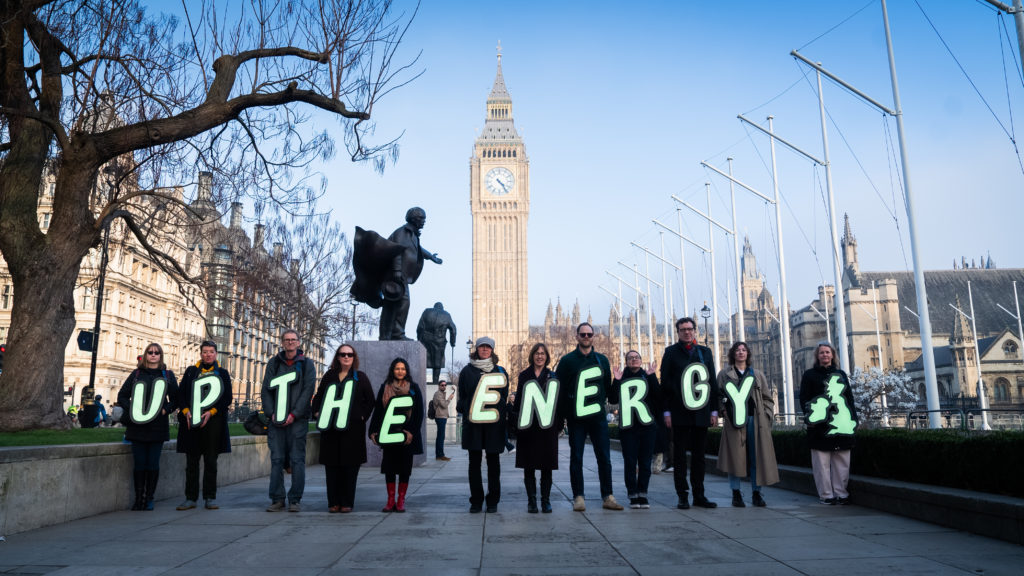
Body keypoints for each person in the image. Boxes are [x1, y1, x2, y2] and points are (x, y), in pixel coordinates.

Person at [555, 323, 623, 512]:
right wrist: (561, 417)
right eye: (583, 334)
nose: (586, 337)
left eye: (589, 334)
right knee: (576, 458)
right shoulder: (567, 361)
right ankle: (579, 497)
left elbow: (611, 395)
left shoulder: (602, 360)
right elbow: (559, 390)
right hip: (576, 419)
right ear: (576, 336)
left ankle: (608, 496)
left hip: (598, 418)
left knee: (604, 458)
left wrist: (617, 380)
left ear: (594, 337)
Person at [660, 317, 719, 509]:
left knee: (699, 456)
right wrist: (666, 411)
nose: (687, 332)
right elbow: (665, 385)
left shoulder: (705, 352)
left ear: (695, 330)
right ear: (678, 332)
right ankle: (682, 495)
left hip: (701, 412)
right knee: (679, 456)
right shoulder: (670, 353)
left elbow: (712, 383)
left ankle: (699, 495)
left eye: (690, 329)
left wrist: (714, 409)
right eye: (683, 329)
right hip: (679, 412)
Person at [312, 344, 375, 513]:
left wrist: (362, 416)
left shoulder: (360, 377)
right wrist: (317, 412)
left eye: (350, 354)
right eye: (342, 354)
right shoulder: (329, 376)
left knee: (350, 467)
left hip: (352, 431)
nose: (346, 357)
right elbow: (318, 396)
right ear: (337, 357)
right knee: (332, 467)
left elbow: (370, 400)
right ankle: (333, 502)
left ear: (354, 358)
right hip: (331, 430)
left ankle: (347, 502)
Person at [716, 341, 779, 508]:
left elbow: (767, 398)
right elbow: (717, 396)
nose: (741, 353)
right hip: (734, 421)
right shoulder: (724, 374)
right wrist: (723, 412)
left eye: (744, 350)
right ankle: (736, 493)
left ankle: (756, 493)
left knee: (756, 456)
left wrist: (766, 415)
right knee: (734, 458)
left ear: (748, 354)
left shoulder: (757, 374)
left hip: (755, 420)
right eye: (737, 350)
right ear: (732, 354)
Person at [117, 343, 179, 511]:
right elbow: (122, 395)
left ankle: (149, 498)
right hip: (137, 426)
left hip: (157, 426)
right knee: (139, 464)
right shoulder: (137, 374)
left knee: (152, 464)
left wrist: (166, 410)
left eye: (156, 353)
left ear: (160, 356)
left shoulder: (167, 375)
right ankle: (138, 499)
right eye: (150, 352)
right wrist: (133, 409)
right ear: (145, 355)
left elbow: (176, 398)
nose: (153, 355)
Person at [261, 329, 316, 512]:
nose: (290, 342)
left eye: (293, 339)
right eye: (287, 340)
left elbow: (308, 390)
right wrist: (271, 413)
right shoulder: (274, 363)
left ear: (298, 342)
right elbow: (266, 390)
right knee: (276, 460)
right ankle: (277, 499)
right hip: (276, 421)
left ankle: (294, 500)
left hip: (297, 421)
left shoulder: (307, 364)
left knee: (297, 460)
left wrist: (294, 414)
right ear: (282, 342)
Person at [175, 341, 233, 511]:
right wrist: (186, 410)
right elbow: (181, 394)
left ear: (216, 354)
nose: (208, 354)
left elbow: (226, 398)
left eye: (211, 352)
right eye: (205, 352)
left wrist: (212, 411)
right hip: (191, 421)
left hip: (213, 422)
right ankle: (190, 498)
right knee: (191, 462)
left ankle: (210, 497)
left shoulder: (222, 373)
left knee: (211, 462)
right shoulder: (191, 372)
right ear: (200, 354)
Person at [800, 342, 858, 505]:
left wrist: (854, 419)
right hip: (819, 424)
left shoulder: (841, 374)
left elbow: (849, 398)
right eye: (821, 353)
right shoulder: (809, 375)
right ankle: (826, 495)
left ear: (832, 355)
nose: (825, 355)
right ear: (817, 356)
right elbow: (804, 398)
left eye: (827, 352)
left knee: (842, 462)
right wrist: (809, 417)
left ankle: (841, 492)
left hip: (841, 422)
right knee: (821, 463)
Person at [457, 336, 509, 513]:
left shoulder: (500, 371)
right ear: (477, 349)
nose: (485, 349)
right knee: (474, 463)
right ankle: (476, 501)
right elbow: (462, 398)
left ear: (492, 350)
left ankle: (493, 500)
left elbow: (504, 397)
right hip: (474, 425)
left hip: (494, 425)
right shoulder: (466, 371)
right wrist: (467, 408)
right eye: (482, 347)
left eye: (488, 347)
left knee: (494, 463)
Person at [511, 343, 562, 513]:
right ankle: (531, 501)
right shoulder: (524, 375)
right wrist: (515, 424)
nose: (540, 356)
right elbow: (518, 402)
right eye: (537, 353)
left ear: (547, 357)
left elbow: (558, 404)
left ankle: (545, 501)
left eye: (543, 354)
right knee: (529, 466)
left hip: (547, 428)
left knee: (546, 467)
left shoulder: (553, 375)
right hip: (528, 427)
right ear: (532, 355)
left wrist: (560, 425)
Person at [369, 357, 424, 512]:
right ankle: (390, 500)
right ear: (392, 370)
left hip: (407, 436)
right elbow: (378, 410)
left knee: (405, 469)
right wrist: (373, 430)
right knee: (389, 468)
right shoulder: (385, 387)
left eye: (403, 369)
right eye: (397, 368)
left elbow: (419, 412)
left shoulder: (413, 388)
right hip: (390, 434)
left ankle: (401, 500)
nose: (400, 371)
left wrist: (411, 432)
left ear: (406, 371)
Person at [379, 207, 443, 340]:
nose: (424, 221)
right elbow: (396, 250)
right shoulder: (403, 232)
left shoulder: (411, 235)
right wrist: (397, 270)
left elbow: (419, 249)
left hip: (401, 275)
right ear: (414, 219)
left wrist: (431, 257)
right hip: (396, 275)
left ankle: (388, 335)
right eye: (421, 218)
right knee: (402, 303)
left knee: (394, 305)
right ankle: (396, 334)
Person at [610, 350, 661, 509]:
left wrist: (653, 376)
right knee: (630, 463)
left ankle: (643, 493)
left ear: (640, 360)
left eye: (637, 357)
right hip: (628, 428)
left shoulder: (647, 377)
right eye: (630, 358)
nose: (634, 360)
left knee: (645, 463)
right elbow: (612, 399)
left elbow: (658, 396)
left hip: (647, 427)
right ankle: (632, 494)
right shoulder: (622, 377)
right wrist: (616, 380)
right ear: (626, 362)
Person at [416, 302, 457, 384]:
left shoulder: (426, 311)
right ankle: (435, 382)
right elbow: (453, 329)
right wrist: (452, 342)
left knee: (423, 360)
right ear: (442, 308)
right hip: (439, 340)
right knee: (437, 360)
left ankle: (421, 381)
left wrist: (419, 340)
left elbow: (419, 327)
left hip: (425, 339)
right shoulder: (446, 315)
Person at [431, 379, 454, 461]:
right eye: (442, 385)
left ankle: (439, 455)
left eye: (445, 385)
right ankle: (440, 455)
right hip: (440, 417)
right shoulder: (438, 394)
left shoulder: (441, 394)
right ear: (439, 386)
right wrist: (449, 399)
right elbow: (444, 405)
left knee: (441, 436)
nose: (444, 386)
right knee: (441, 437)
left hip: (442, 417)